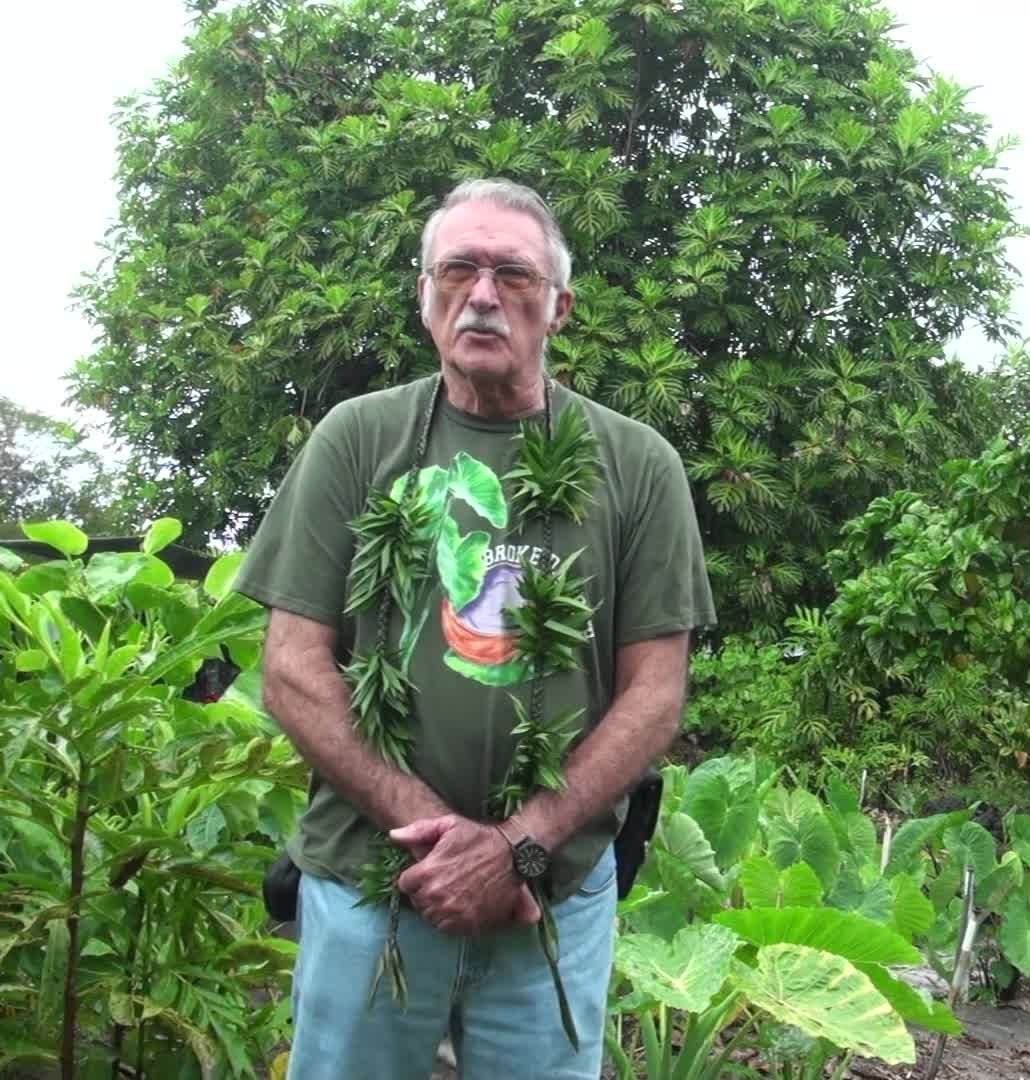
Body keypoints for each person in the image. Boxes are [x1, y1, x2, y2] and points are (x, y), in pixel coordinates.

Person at [234, 177, 714, 1078]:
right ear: (425, 298)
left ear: (560, 306)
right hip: (372, 881)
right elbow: (293, 668)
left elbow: (655, 695)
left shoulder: (639, 466)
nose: (483, 294)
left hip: (552, 902)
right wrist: (439, 838)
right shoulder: (356, 439)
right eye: (457, 269)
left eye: (514, 275)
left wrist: (519, 848)